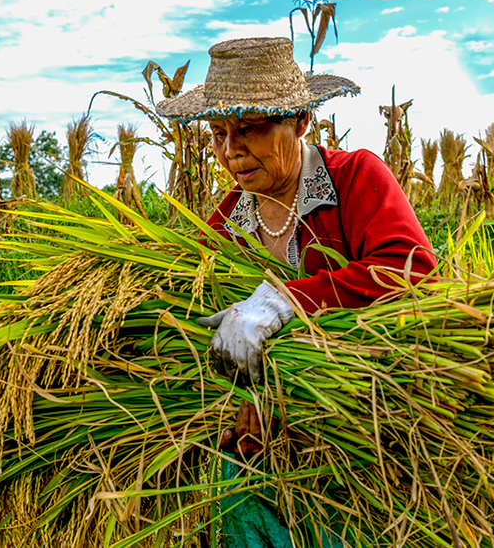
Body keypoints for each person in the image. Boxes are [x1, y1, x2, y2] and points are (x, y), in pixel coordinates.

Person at [157, 36, 437, 548]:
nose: (229, 151)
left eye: (249, 129)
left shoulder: (354, 178)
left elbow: (410, 268)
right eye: (218, 133)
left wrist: (287, 300)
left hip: (364, 436)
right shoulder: (225, 225)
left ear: (300, 123)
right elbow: (199, 325)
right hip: (261, 451)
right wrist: (234, 401)